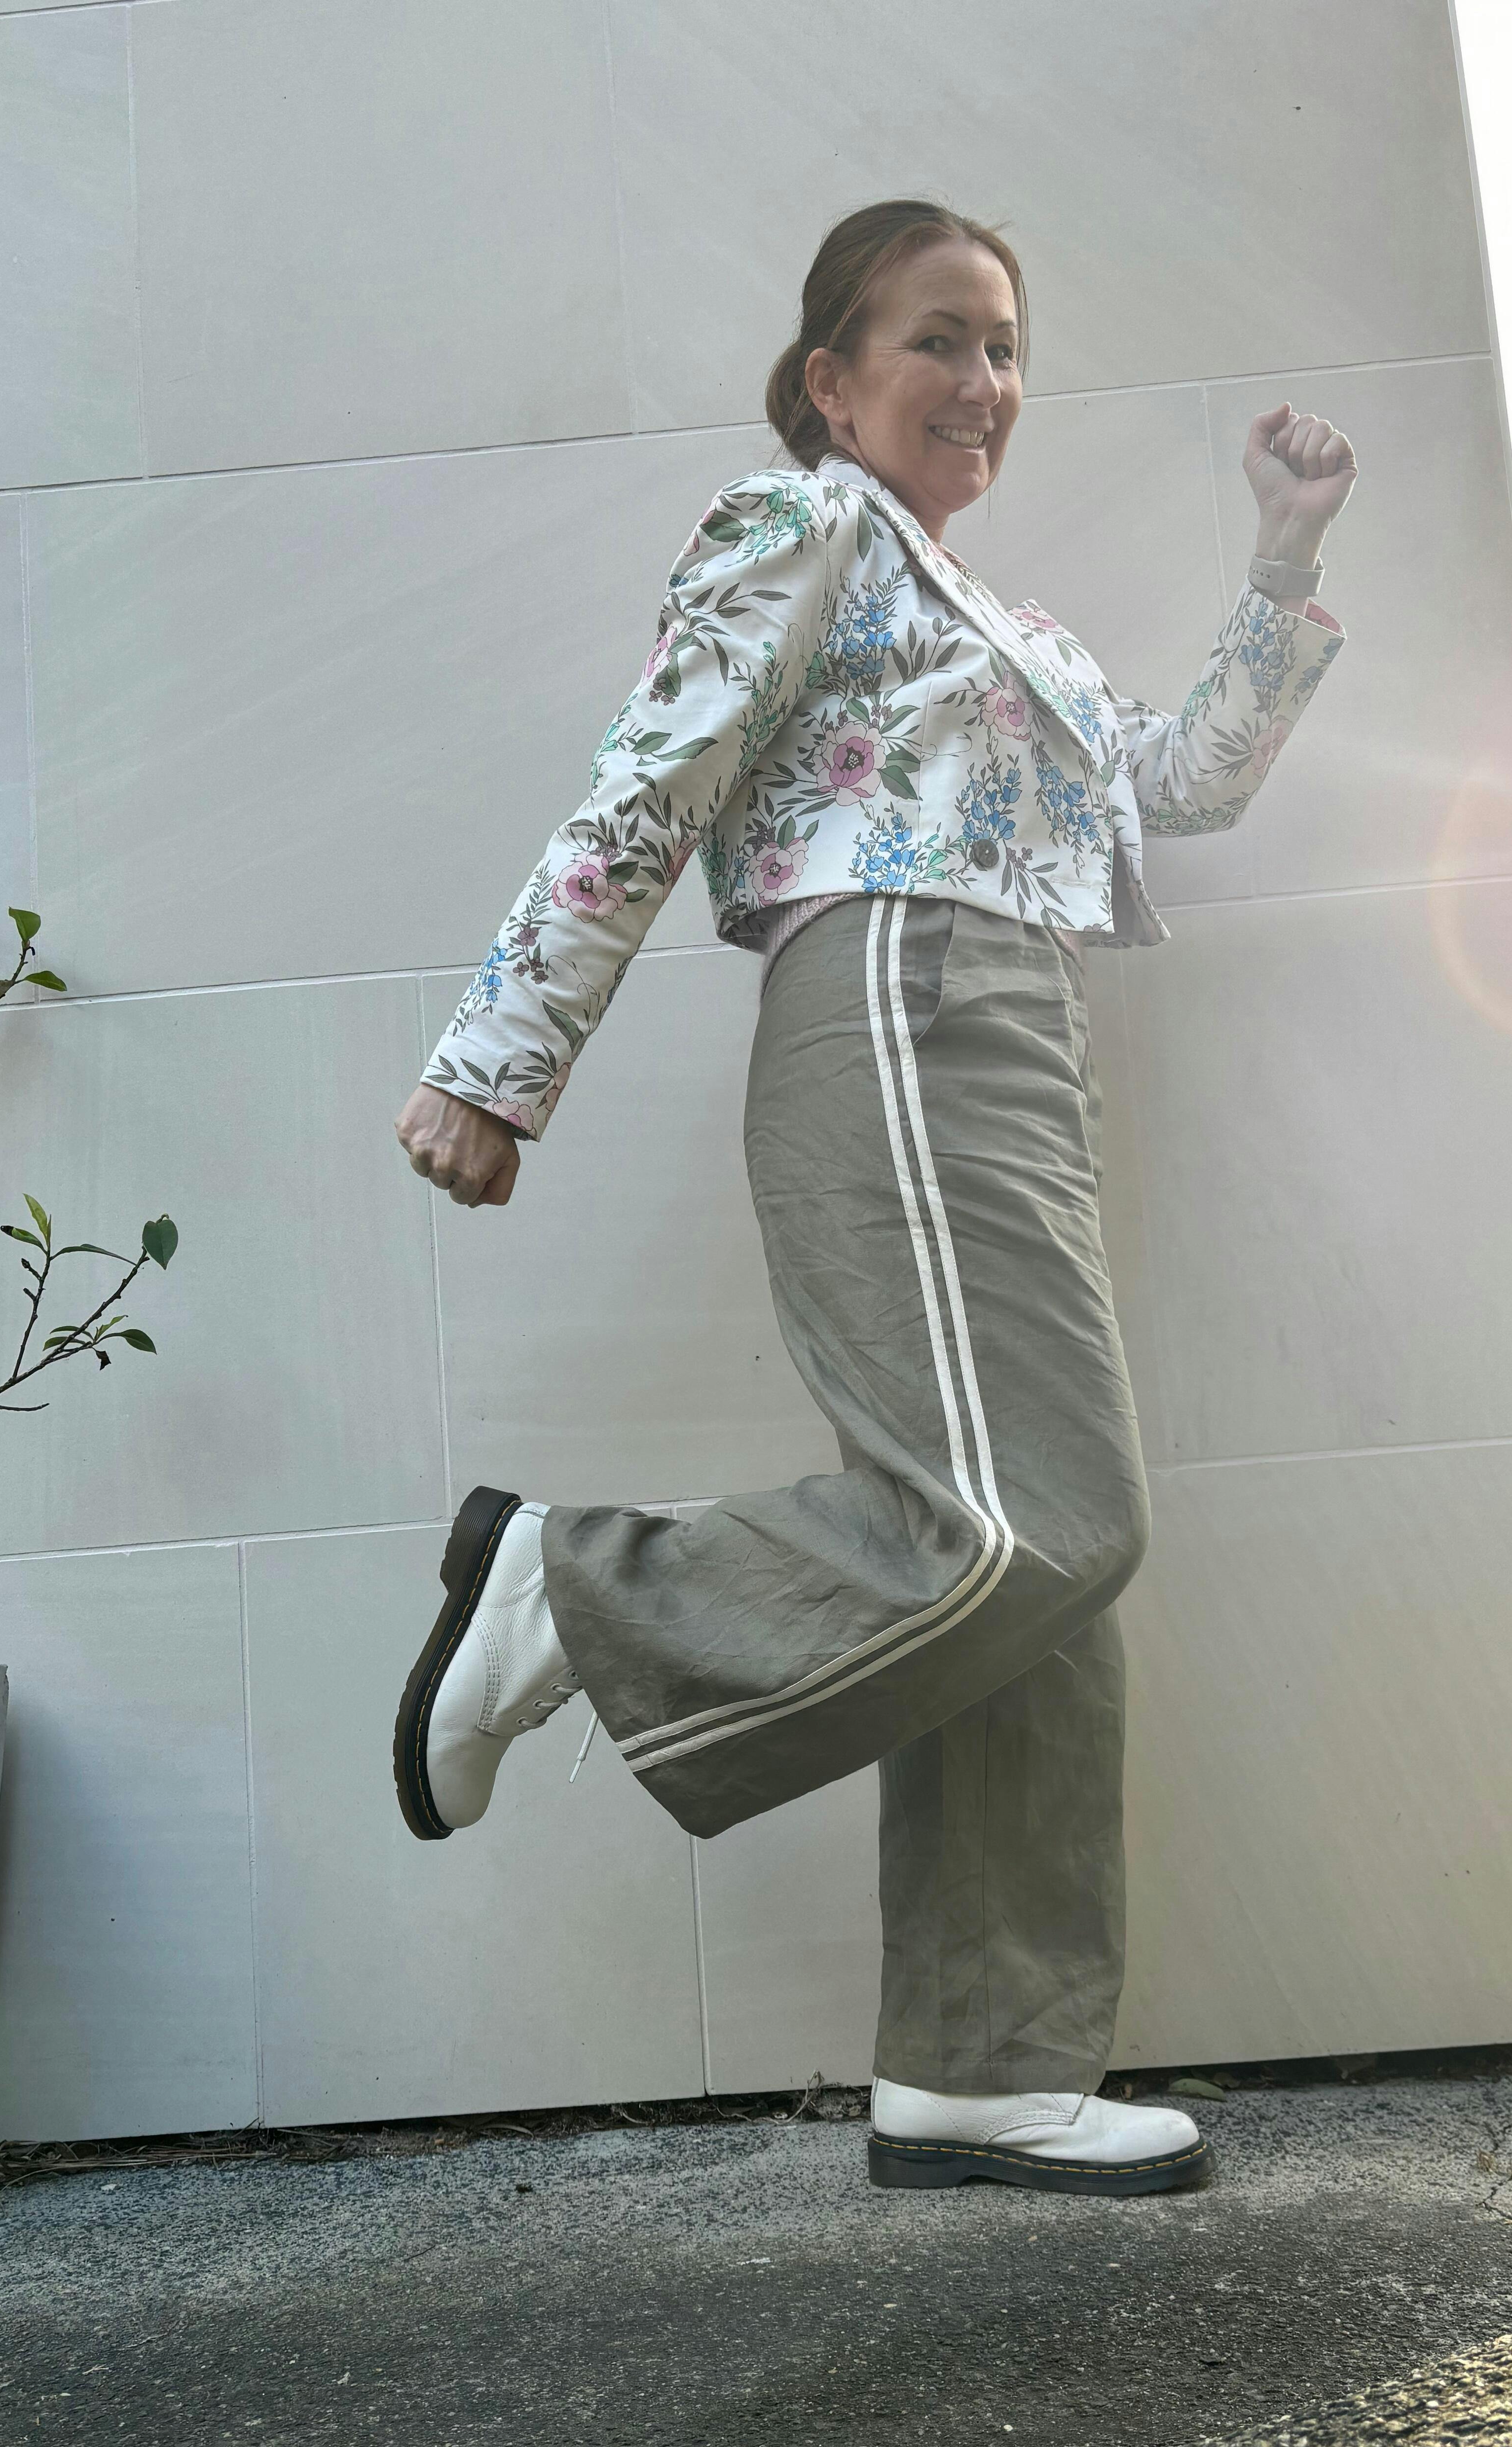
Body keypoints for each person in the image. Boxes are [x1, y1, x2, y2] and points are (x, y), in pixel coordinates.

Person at [392, 198, 1355, 2199]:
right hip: (906, 998)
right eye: (938, 339)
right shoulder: (802, 520)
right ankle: (574, 1591)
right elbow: (654, 772)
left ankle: (982, 2067)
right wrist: (500, 1060)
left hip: (1006, 1030)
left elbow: (1177, 786)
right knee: (1041, 1520)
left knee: (1038, 1558)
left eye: (1005, 347)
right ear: (831, 381)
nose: (983, 381)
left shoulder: (1008, 624)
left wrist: (1282, 559)